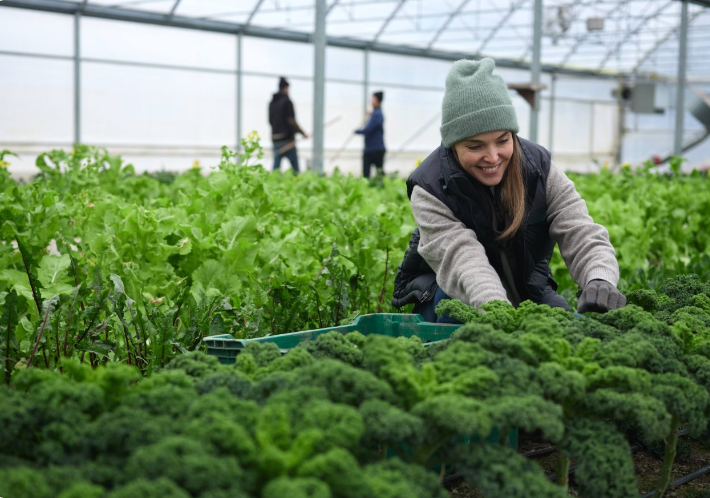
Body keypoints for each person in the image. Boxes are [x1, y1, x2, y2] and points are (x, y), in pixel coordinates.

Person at [391, 58, 626, 322]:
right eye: (475, 146)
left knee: (563, 324)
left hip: (528, 291)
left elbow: (578, 228)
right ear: (453, 145)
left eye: (502, 141)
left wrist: (599, 277)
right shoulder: (430, 188)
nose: (492, 157)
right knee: (456, 314)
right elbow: (463, 260)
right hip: (453, 292)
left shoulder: (539, 168)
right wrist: (499, 314)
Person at [269, 77, 308, 173]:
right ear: (286, 88)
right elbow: (291, 120)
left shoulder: (272, 103)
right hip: (287, 140)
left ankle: (272, 180)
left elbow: (270, 120)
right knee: (295, 168)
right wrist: (303, 133)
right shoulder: (287, 102)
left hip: (275, 138)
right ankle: (297, 179)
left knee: (276, 168)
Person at [355, 91, 386, 178]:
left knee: (375, 173)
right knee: (376, 173)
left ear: (378, 101)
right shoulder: (375, 113)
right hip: (372, 148)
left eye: (373, 99)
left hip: (375, 149)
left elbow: (368, 129)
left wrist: (358, 131)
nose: (371, 101)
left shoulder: (377, 114)